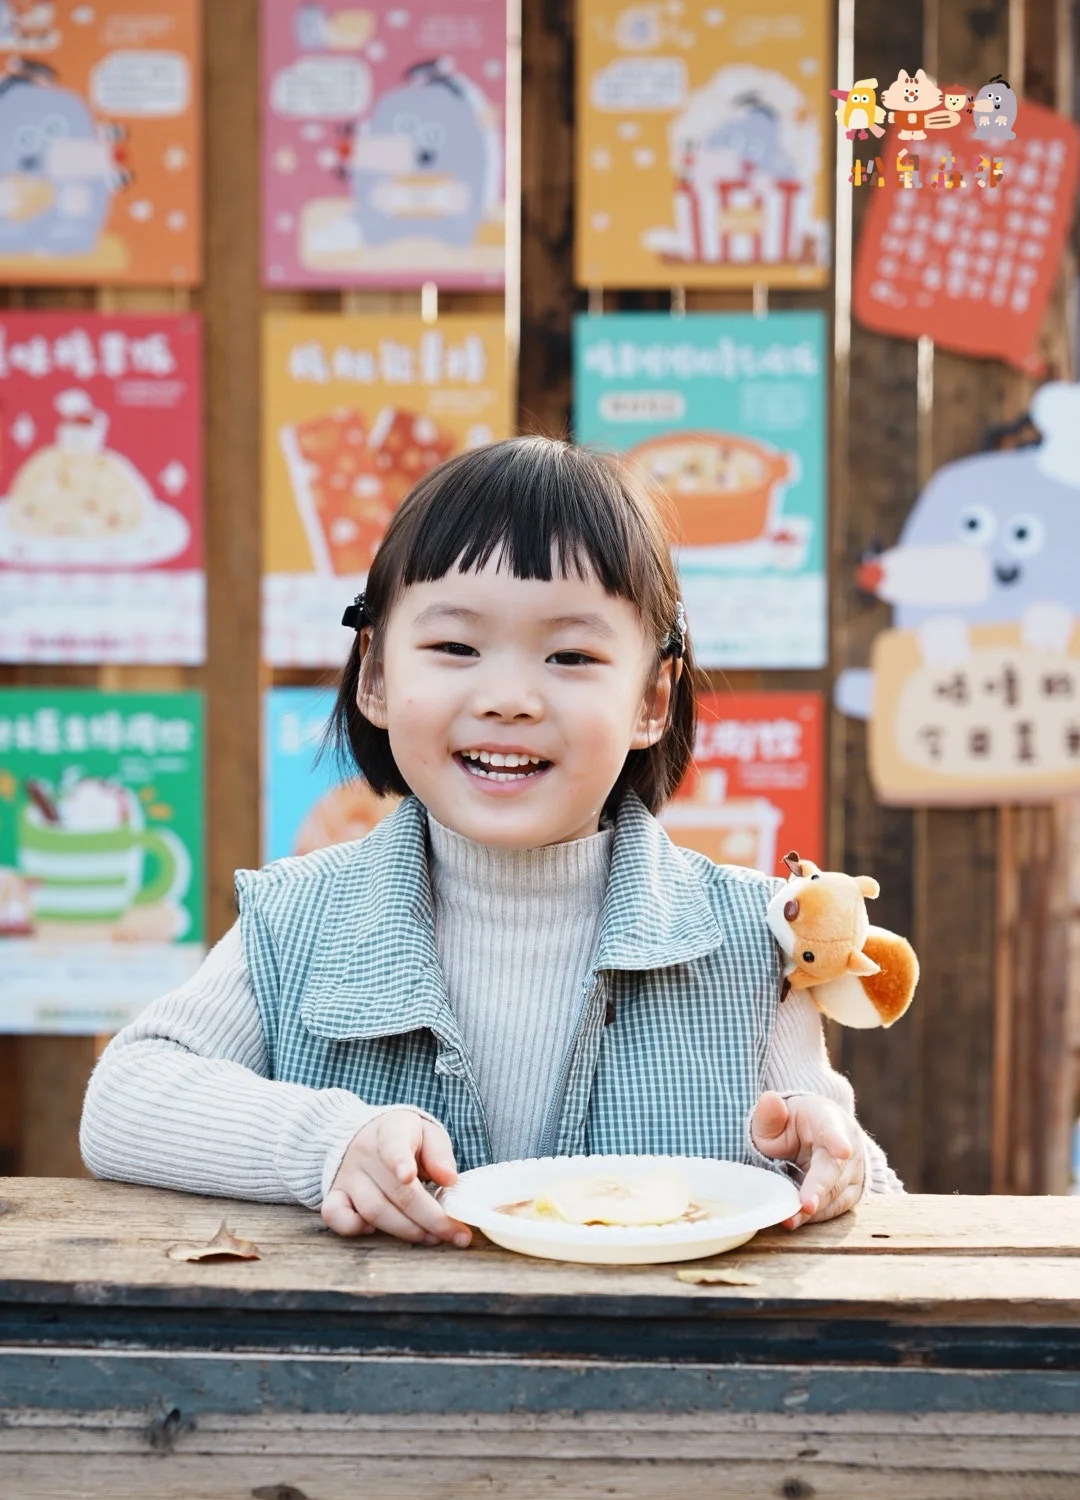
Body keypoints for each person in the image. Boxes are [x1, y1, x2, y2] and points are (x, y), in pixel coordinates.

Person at [81, 437, 901, 1248]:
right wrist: (328, 1143)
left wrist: (831, 1156)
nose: (508, 698)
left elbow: (844, 1171)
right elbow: (122, 1101)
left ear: (652, 699)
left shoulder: (752, 941)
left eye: (570, 655)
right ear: (375, 673)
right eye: (455, 647)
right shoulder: (297, 920)